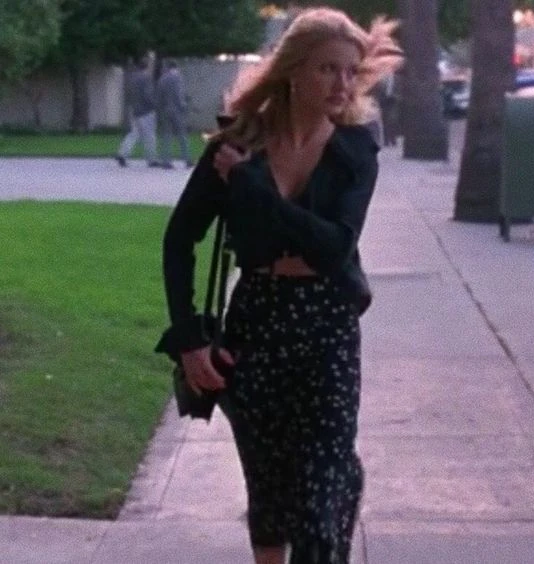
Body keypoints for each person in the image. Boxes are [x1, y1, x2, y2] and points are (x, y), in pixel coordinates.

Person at [155, 8, 402, 564]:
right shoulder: (239, 142)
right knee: (267, 488)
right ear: (293, 70)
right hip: (257, 322)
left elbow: (334, 247)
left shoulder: (355, 148)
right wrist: (190, 340)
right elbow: (179, 239)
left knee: (316, 508)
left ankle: (336, 491)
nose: (342, 84)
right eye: (327, 69)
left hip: (327, 322)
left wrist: (253, 189)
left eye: (350, 71)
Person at [115, 56, 159, 168]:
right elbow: (148, 95)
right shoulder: (146, 78)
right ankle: (151, 159)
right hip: (146, 111)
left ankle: (122, 153)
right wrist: (155, 105)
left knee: (133, 134)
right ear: (147, 66)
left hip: (135, 110)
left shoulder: (132, 78)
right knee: (150, 136)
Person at [156, 59, 193, 169]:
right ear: (175, 67)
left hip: (165, 110)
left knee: (166, 136)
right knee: (182, 135)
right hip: (176, 110)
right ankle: (187, 159)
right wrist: (184, 107)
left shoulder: (162, 79)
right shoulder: (177, 78)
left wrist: (160, 109)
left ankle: (166, 161)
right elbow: (178, 94)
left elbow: (159, 96)